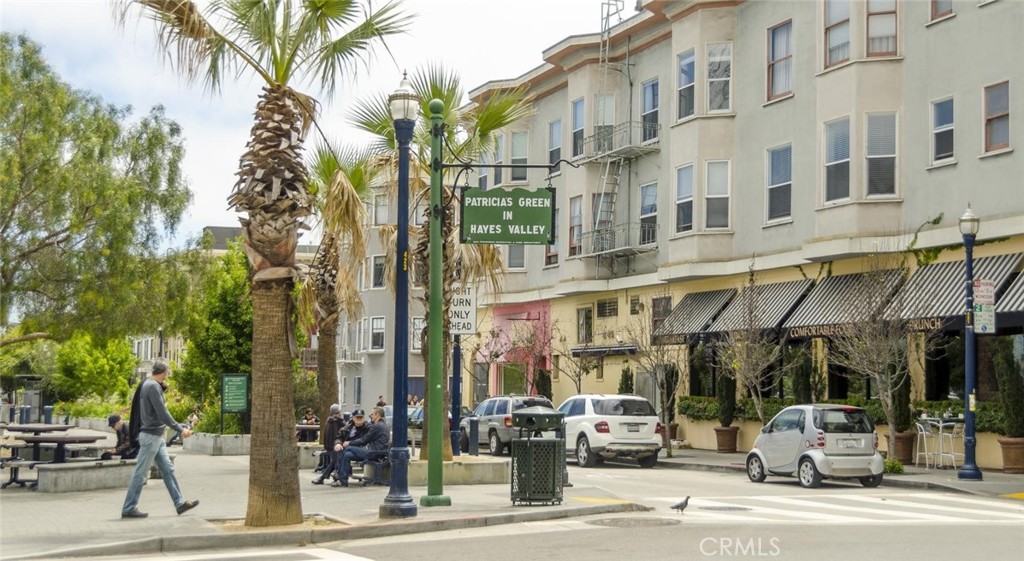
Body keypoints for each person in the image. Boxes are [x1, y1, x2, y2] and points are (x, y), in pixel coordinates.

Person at [121, 360, 199, 519]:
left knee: (168, 470)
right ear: (164, 372)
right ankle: (129, 507)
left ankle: (179, 503)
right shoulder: (153, 387)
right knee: (140, 473)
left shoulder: (149, 384)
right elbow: (162, 413)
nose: (168, 375)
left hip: (156, 436)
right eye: (167, 372)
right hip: (151, 437)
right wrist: (181, 429)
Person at [331, 407, 390, 487]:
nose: (371, 416)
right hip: (375, 452)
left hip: (373, 453)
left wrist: (349, 443)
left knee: (347, 448)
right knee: (347, 455)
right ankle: (343, 480)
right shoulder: (382, 425)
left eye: (372, 414)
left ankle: (341, 477)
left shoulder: (377, 426)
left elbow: (364, 440)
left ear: (377, 415)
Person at [311, 404, 344, 483]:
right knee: (336, 461)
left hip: (331, 446)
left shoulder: (329, 420)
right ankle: (336, 476)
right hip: (335, 446)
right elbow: (338, 435)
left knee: (334, 461)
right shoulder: (337, 421)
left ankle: (322, 478)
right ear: (339, 412)